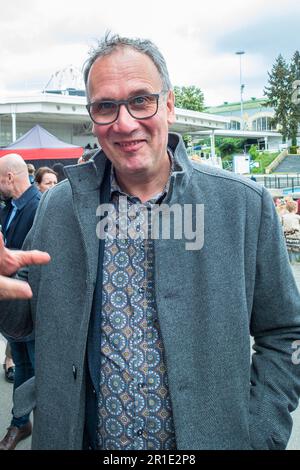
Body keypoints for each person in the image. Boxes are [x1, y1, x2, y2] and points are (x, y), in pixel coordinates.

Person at [0, 34, 300, 451]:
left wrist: (260, 434)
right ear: (92, 117)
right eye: (106, 106)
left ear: (170, 105)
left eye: (141, 100)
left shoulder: (243, 206)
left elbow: (285, 331)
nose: (124, 123)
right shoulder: (58, 208)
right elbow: (21, 321)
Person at [0, 153, 41, 450]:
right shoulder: (9, 208)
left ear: (10, 177)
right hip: (14, 311)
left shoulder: (40, 206)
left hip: (34, 308)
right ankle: (20, 421)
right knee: (24, 366)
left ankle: (41, 427)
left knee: (40, 371)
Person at [282, 200, 300, 264]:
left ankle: (290, 261)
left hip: (286, 239)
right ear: (296, 209)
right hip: (296, 239)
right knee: (296, 252)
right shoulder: (297, 217)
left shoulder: (284, 216)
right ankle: (296, 260)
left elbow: (282, 225)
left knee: (289, 251)